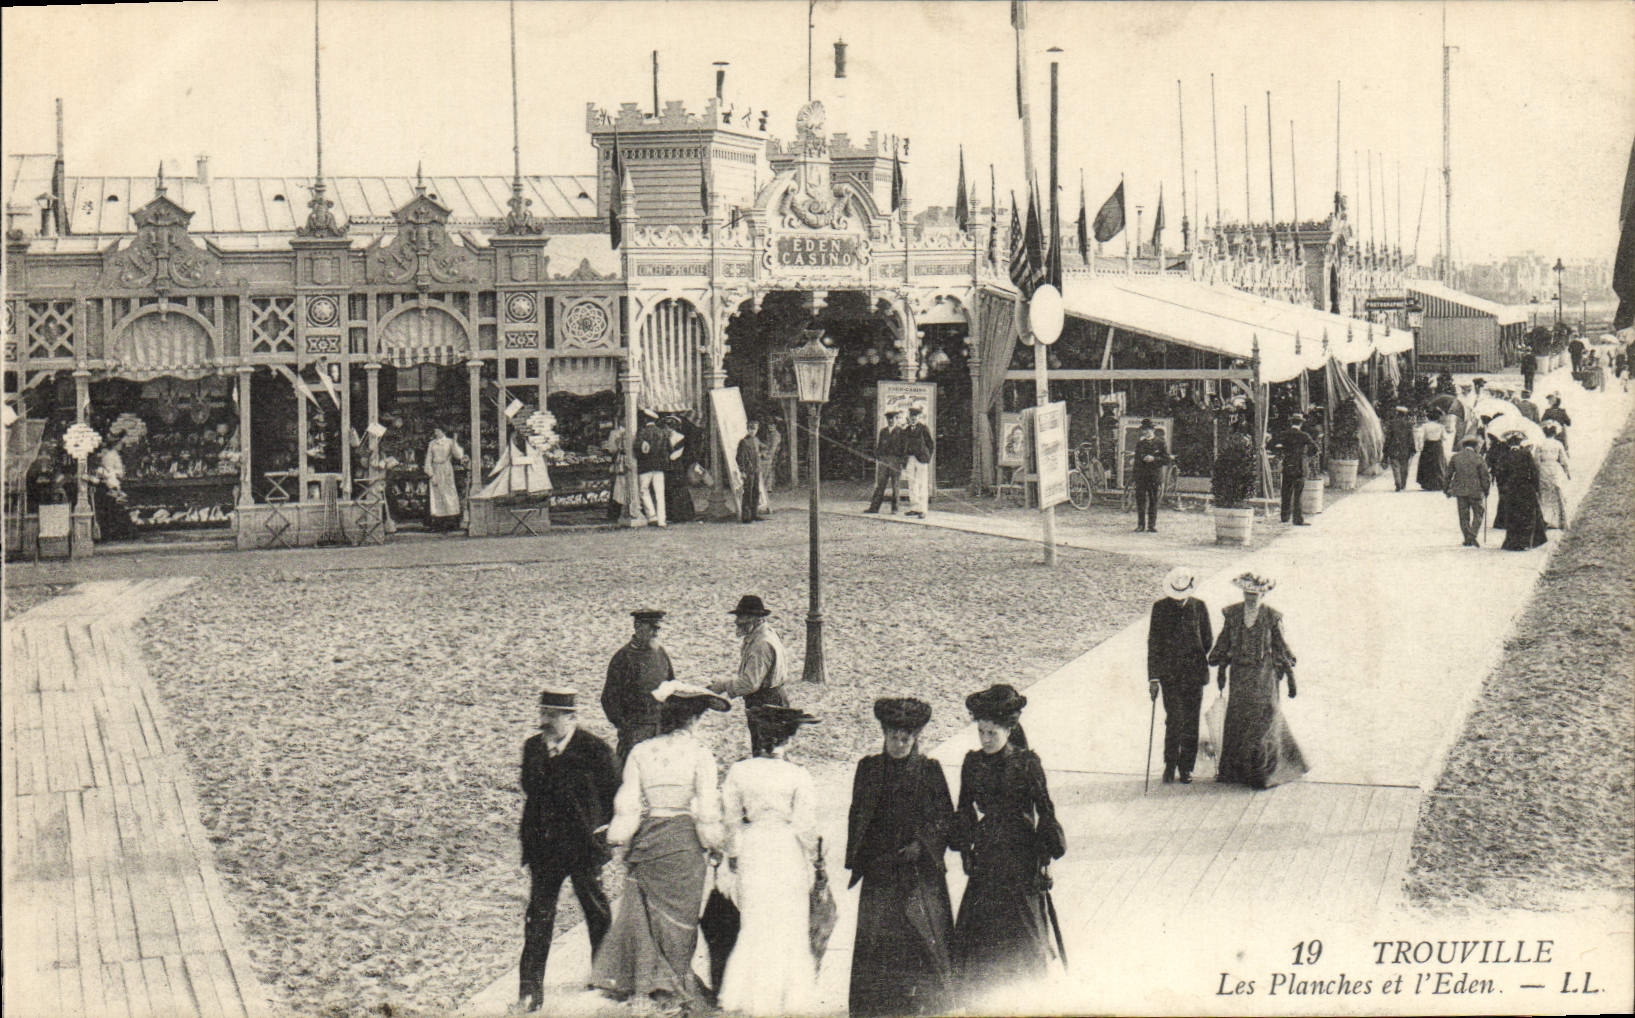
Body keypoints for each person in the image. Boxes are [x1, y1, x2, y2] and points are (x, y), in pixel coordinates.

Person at [591, 681, 729, 1012]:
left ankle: (645, 990)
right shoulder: (701, 755)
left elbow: (627, 806)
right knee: (681, 921)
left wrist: (618, 837)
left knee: (644, 921)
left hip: (649, 842)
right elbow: (707, 811)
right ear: (694, 720)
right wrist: (715, 844)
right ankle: (674, 989)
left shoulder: (641, 752)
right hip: (683, 846)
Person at [949, 684, 1065, 1003]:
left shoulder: (1027, 763)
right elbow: (964, 809)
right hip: (987, 852)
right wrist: (964, 850)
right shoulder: (972, 763)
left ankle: (1029, 994)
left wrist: (1044, 857)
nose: (985, 740)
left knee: (1024, 927)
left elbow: (1046, 810)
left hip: (1020, 852)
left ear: (1008, 729)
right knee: (982, 927)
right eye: (981, 732)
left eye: (992, 733)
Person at [846, 698, 956, 1018]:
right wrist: (863, 854)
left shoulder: (929, 770)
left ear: (916, 739)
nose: (898, 744)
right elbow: (858, 813)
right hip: (880, 867)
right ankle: (876, 1005)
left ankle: (925, 1003)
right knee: (877, 936)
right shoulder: (868, 768)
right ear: (883, 734)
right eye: (893, 737)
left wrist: (923, 844)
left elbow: (945, 818)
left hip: (918, 871)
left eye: (905, 739)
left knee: (919, 933)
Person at [516, 688, 620, 1014]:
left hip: (582, 849)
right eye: (543, 713)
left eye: (553, 715)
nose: (545, 721)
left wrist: (600, 833)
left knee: (596, 911)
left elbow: (615, 794)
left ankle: (605, 978)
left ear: (572, 717)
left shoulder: (595, 750)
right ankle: (529, 993)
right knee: (538, 919)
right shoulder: (533, 748)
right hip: (544, 848)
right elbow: (530, 789)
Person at [716, 705, 823, 1016]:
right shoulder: (797, 774)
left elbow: (732, 821)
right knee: (787, 922)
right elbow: (805, 825)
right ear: (789, 739)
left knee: (755, 921)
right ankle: (789, 994)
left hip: (754, 848)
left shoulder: (740, 771)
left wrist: (734, 855)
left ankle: (750, 993)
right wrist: (814, 859)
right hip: (785, 848)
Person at [1206, 573, 1307, 789]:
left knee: (1265, 719)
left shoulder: (1272, 617)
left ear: (1263, 594)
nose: (1251, 598)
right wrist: (1217, 656)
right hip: (1240, 676)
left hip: (1264, 676)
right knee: (1240, 719)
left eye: (1256, 594)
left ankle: (1264, 774)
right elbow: (1223, 639)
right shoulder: (1232, 614)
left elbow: (1280, 644)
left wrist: (1288, 661)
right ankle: (1238, 772)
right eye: (1248, 593)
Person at [1147, 568, 1213, 784]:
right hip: (1170, 677)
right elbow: (1153, 644)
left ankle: (1186, 768)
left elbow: (1207, 639)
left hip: (1194, 676)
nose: (1177, 602)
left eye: (1181, 598)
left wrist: (1192, 655)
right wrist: (1154, 678)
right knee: (1174, 720)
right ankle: (1170, 765)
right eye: (1174, 597)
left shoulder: (1199, 607)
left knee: (1191, 722)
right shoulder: (1159, 608)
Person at [709, 595, 791, 756]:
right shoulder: (764, 635)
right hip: (771, 700)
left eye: (742, 617)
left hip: (766, 704)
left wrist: (723, 685)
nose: (737, 622)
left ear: (755, 619)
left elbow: (750, 683)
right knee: (773, 753)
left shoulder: (760, 644)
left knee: (765, 755)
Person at [602, 609, 676, 768]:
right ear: (637, 626)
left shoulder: (661, 653)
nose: (655, 632)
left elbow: (671, 685)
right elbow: (608, 699)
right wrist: (625, 727)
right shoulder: (623, 658)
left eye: (658, 628)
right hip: (635, 731)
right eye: (652, 628)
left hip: (660, 728)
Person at [1498, 434, 1549, 551]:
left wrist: (1503, 489)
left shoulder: (1504, 456)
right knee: (1526, 516)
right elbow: (1534, 471)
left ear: (1509, 444)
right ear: (1520, 443)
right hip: (1526, 489)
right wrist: (1536, 488)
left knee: (1512, 516)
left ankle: (1511, 542)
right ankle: (1525, 542)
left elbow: (1500, 474)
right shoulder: (1526, 454)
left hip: (1511, 490)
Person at [1267, 413, 1316, 525]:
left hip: (1288, 464)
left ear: (1291, 422)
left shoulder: (1284, 434)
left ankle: (1284, 517)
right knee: (1298, 494)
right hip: (1300, 466)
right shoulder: (1304, 435)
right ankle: (1297, 519)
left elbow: (1270, 445)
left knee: (1286, 491)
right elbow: (1315, 449)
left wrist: (1281, 452)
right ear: (1301, 423)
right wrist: (1305, 456)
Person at [1444, 436, 1493, 548]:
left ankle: (1467, 537)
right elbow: (1485, 477)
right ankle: (1472, 536)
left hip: (1460, 491)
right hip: (1476, 491)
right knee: (1479, 513)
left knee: (1463, 516)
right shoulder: (1479, 458)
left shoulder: (1456, 457)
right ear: (1475, 446)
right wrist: (1486, 490)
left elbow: (1448, 475)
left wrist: (1446, 488)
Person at [423, 427, 467, 532]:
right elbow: (428, 458)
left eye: (438, 430)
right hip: (436, 469)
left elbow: (459, 455)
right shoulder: (432, 443)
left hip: (446, 469)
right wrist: (430, 473)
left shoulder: (450, 442)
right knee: (437, 496)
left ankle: (451, 523)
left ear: (443, 431)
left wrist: (455, 442)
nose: (436, 432)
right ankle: (438, 523)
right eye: (435, 430)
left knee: (449, 495)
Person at [1131, 418, 1169, 533]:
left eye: (1148, 429)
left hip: (1154, 476)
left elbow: (1166, 459)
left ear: (1153, 430)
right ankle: (1140, 525)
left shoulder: (1160, 443)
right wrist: (1135, 477)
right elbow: (1137, 461)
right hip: (1141, 476)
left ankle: (1151, 525)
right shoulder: (1140, 444)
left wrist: (1154, 459)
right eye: (1144, 430)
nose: (1146, 432)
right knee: (1140, 501)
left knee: (1153, 501)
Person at [864, 410, 906, 514]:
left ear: (896, 419)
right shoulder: (883, 431)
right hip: (884, 460)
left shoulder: (901, 431)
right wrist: (877, 457)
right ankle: (874, 508)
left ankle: (895, 508)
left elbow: (904, 448)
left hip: (895, 460)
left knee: (895, 485)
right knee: (880, 484)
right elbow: (879, 446)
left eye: (893, 418)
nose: (891, 421)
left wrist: (902, 461)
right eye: (889, 419)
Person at [661, 414, 699, 524]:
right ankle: (671, 514)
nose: (666, 429)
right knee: (669, 489)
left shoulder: (680, 438)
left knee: (679, 489)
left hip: (676, 466)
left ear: (672, 427)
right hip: (669, 466)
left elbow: (675, 454)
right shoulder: (666, 437)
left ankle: (682, 514)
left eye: (667, 427)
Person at [1534, 421, 1571, 529]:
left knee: (1545, 495)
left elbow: (1536, 461)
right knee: (1558, 493)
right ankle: (1559, 521)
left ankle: (1546, 520)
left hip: (1543, 469)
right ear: (1554, 433)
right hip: (1555, 468)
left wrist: (1538, 471)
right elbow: (1563, 460)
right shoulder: (1558, 444)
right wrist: (1567, 472)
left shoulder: (1540, 444)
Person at [634, 411, 669, 528]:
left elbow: (636, 448)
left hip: (645, 467)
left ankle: (652, 516)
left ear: (645, 420)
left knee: (643, 490)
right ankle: (662, 520)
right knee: (660, 493)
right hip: (659, 467)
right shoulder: (662, 433)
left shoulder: (642, 432)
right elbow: (668, 449)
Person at [901, 404, 936, 518]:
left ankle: (923, 510)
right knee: (912, 484)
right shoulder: (906, 430)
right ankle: (914, 508)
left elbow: (930, 444)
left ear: (918, 417)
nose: (913, 418)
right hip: (910, 459)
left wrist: (927, 457)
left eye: (915, 416)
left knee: (922, 484)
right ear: (909, 417)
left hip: (921, 459)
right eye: (911, 416)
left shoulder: (923, 428)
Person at [735, 420, 764, 523]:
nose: (752, 431)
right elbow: (739, 457)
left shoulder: (756, 440)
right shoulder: (744, 441)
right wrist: (742, 471)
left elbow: (759, 452)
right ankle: (746, 517)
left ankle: (754, 514)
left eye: (754, 429)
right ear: (747, 429)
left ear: (757, 429)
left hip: (756, 470)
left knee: (756, 491)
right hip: (748, 471)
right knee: (748, 492)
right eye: (750, 429)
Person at [1383, 406, 1417, 492]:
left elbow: (1388, 438)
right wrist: (1413, 449)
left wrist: (1385, 450)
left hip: (1393, 448)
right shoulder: (1408, 424)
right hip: (1405, 449)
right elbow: (1411, 438)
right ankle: (1403, 484)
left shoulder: (1392, 424)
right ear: (1405, 414)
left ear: (1397, 413)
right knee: (1404, 467)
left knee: (1395, 467)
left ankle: (1398, 482)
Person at [602, 421, 630, 522]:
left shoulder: (614, 433)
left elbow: (611, 449)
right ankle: (619, 512)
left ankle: (615, 514)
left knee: (618, 489)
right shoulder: (618, 433)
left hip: (621, 464)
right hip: (623, 464)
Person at [1415, 411, 1447, 491]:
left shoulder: (1424, 426)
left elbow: (1421, 437)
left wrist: (1420, 445)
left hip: (1428, 446)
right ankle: (1439, 483)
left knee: (1427, 464)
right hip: (1437, 446)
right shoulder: (1440, 426)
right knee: (1438, 464)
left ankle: (1427, 483)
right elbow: (1444, 437)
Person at [757, 418, 782, 516]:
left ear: (775, 426)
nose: (770, 427)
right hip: (768, 452)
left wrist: (765, 454)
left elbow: (773, 448)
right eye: (769, 425)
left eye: (772, 425)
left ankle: (765, 487)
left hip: (771, 455)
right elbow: (767, 445)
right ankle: (768, 487)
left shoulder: (776, 435)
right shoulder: (769, 434)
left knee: (764, 467)